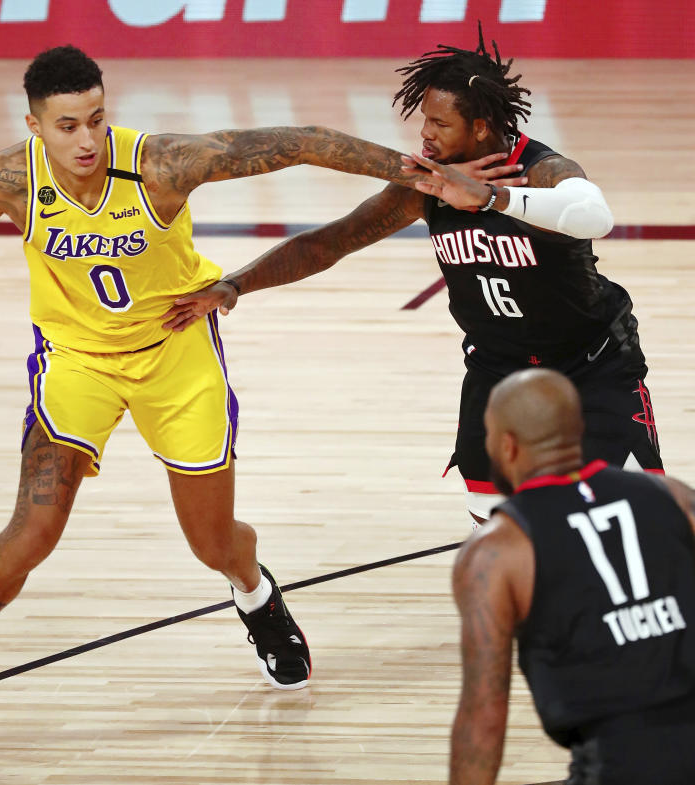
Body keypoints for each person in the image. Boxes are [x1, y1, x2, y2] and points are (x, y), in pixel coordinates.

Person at [0, 45, 522, 757]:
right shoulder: (10, 178)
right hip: (76, 362)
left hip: (176, 351)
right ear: (35, 125)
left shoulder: (160, 164)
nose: (86, 140)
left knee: (212, 543)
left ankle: (255, 592)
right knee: (30, 532)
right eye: (67, 125)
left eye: (97, 120)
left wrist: (423, 175)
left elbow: (300, 143)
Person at [163, 27, 663, 528]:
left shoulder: (538, 171)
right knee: (494, 523)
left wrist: (492, 199)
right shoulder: (424, 186)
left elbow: (595, 215)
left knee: (604, 520)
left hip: (591, 363)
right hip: (498, 367)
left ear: (482, 128)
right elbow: (330, 242)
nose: (426, 133)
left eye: (440, 123)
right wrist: (235, 284)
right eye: (425, 119)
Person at [447, 367, 695, 785]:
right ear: (578, 430)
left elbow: (484, 716)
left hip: (624, 760)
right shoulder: (674, 497)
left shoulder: (495, 551)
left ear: (506, 445)